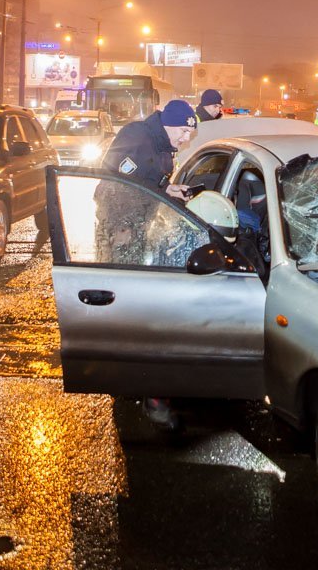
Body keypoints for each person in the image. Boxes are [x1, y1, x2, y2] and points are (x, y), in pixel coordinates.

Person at [97, 99, 199, 432]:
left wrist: (166, 189)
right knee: (125, 304)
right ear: (168, 123)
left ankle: (133, 381)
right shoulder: (136, 136)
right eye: (184, 131)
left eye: (189, 132)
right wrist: (158, 192)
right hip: (121, 226)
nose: (186, 138)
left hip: (141, 226)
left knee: (135, 306)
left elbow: (148, 181)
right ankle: (126, 382)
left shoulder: (163, 145)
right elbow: (117, 187)